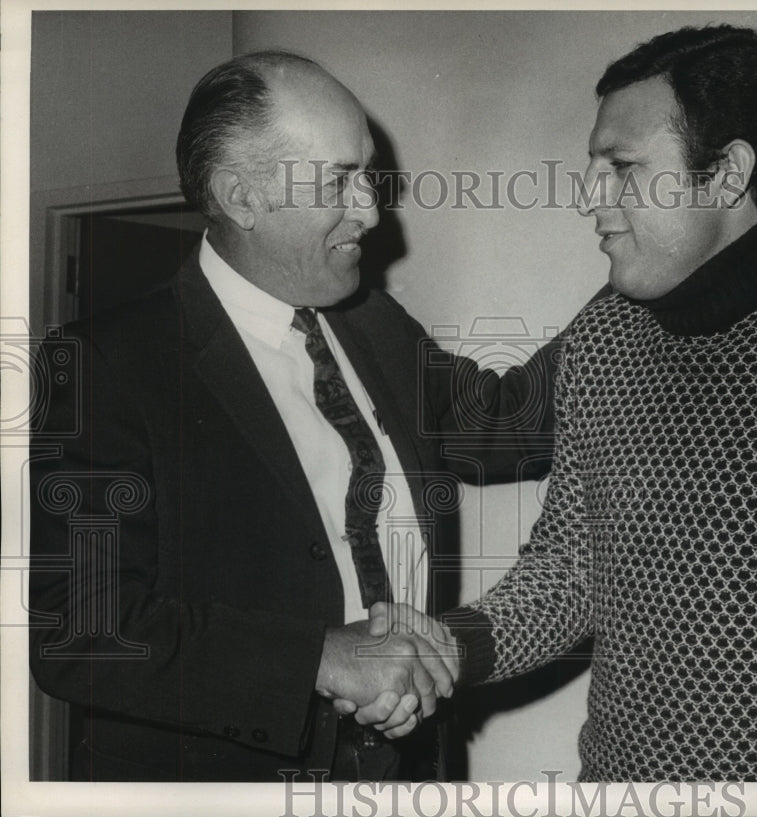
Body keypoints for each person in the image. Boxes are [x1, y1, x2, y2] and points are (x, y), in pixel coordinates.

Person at [373, 24, 757, 781]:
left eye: (621, 167)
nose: (588, 197)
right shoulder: (605, 335)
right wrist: (447, 645)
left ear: (726, 173)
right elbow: (574, 568)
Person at [28, 50, 561, 782]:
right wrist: (320, 656)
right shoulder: (107, 363)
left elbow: (506, 426)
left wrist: (651, 272)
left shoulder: (372, 321)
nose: (372, 210)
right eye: (340, 179)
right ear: (241, 196)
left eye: (367, 174)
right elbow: (80, 631)